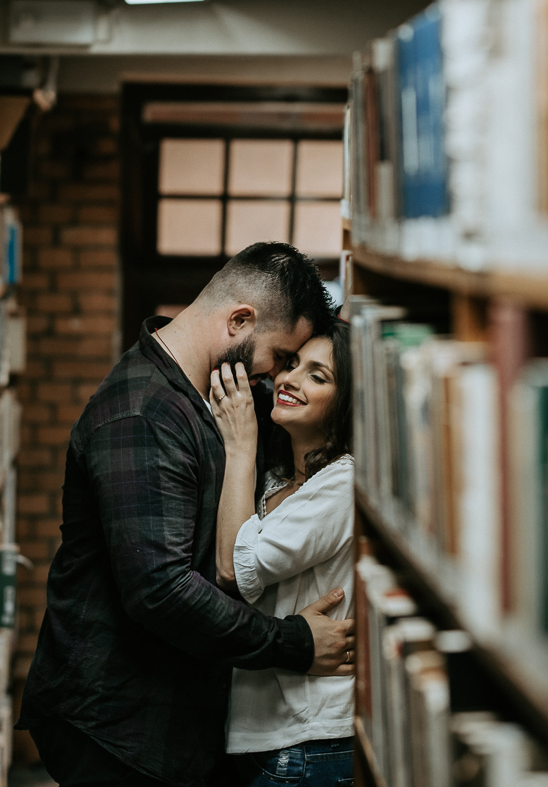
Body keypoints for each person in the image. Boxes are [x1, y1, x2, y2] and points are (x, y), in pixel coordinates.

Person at [16, 244, 355, 787]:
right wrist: (289, 642)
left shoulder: (211, 396)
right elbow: (160, 589)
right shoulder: (144, 413)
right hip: (120, 723)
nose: (274, 376)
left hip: (169, 712)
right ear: (239, 321)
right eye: (279, 356)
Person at [211, 318, 355, 787]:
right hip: (269, 734)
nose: (290, 379)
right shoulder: (278, 476)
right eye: (291, 364)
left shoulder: (342, 483)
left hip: (308, 741)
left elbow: (232, 568)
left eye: (318, 375)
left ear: (345, 402)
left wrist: (239, 446)